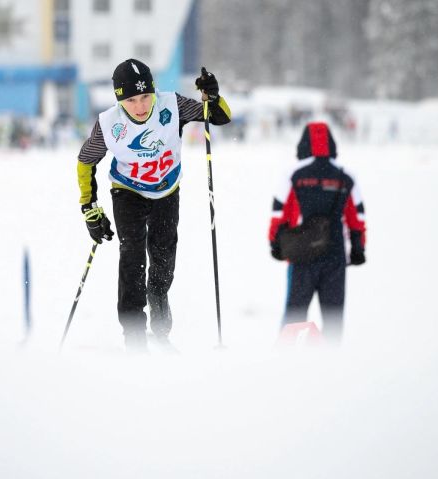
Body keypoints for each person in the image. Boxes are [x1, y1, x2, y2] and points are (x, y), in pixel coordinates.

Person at [76, 59, 231, 351]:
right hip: (128, 193)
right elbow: (86, 160)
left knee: (163, 262)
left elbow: (219, 116)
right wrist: (89, 208)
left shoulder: (172, 105)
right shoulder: (109, 123)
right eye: (131, 100)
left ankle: (160, 328)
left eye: (145, 96)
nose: (140, 106)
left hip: (166, 191)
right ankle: (133, 335)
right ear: (119, 99)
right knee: (133, 259)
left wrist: (213, 95)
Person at [268, 122, 366, 344]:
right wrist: (358, 248)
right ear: (331, 144)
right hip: (335, 255)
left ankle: (284, 360)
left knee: (295, 312)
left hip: (302, 254)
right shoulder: (346, 176)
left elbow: (279, 211)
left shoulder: (293, 174)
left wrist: (275, 242)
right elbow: (357, 216)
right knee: (333, 316)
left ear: (303, 144)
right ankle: (330, 363)